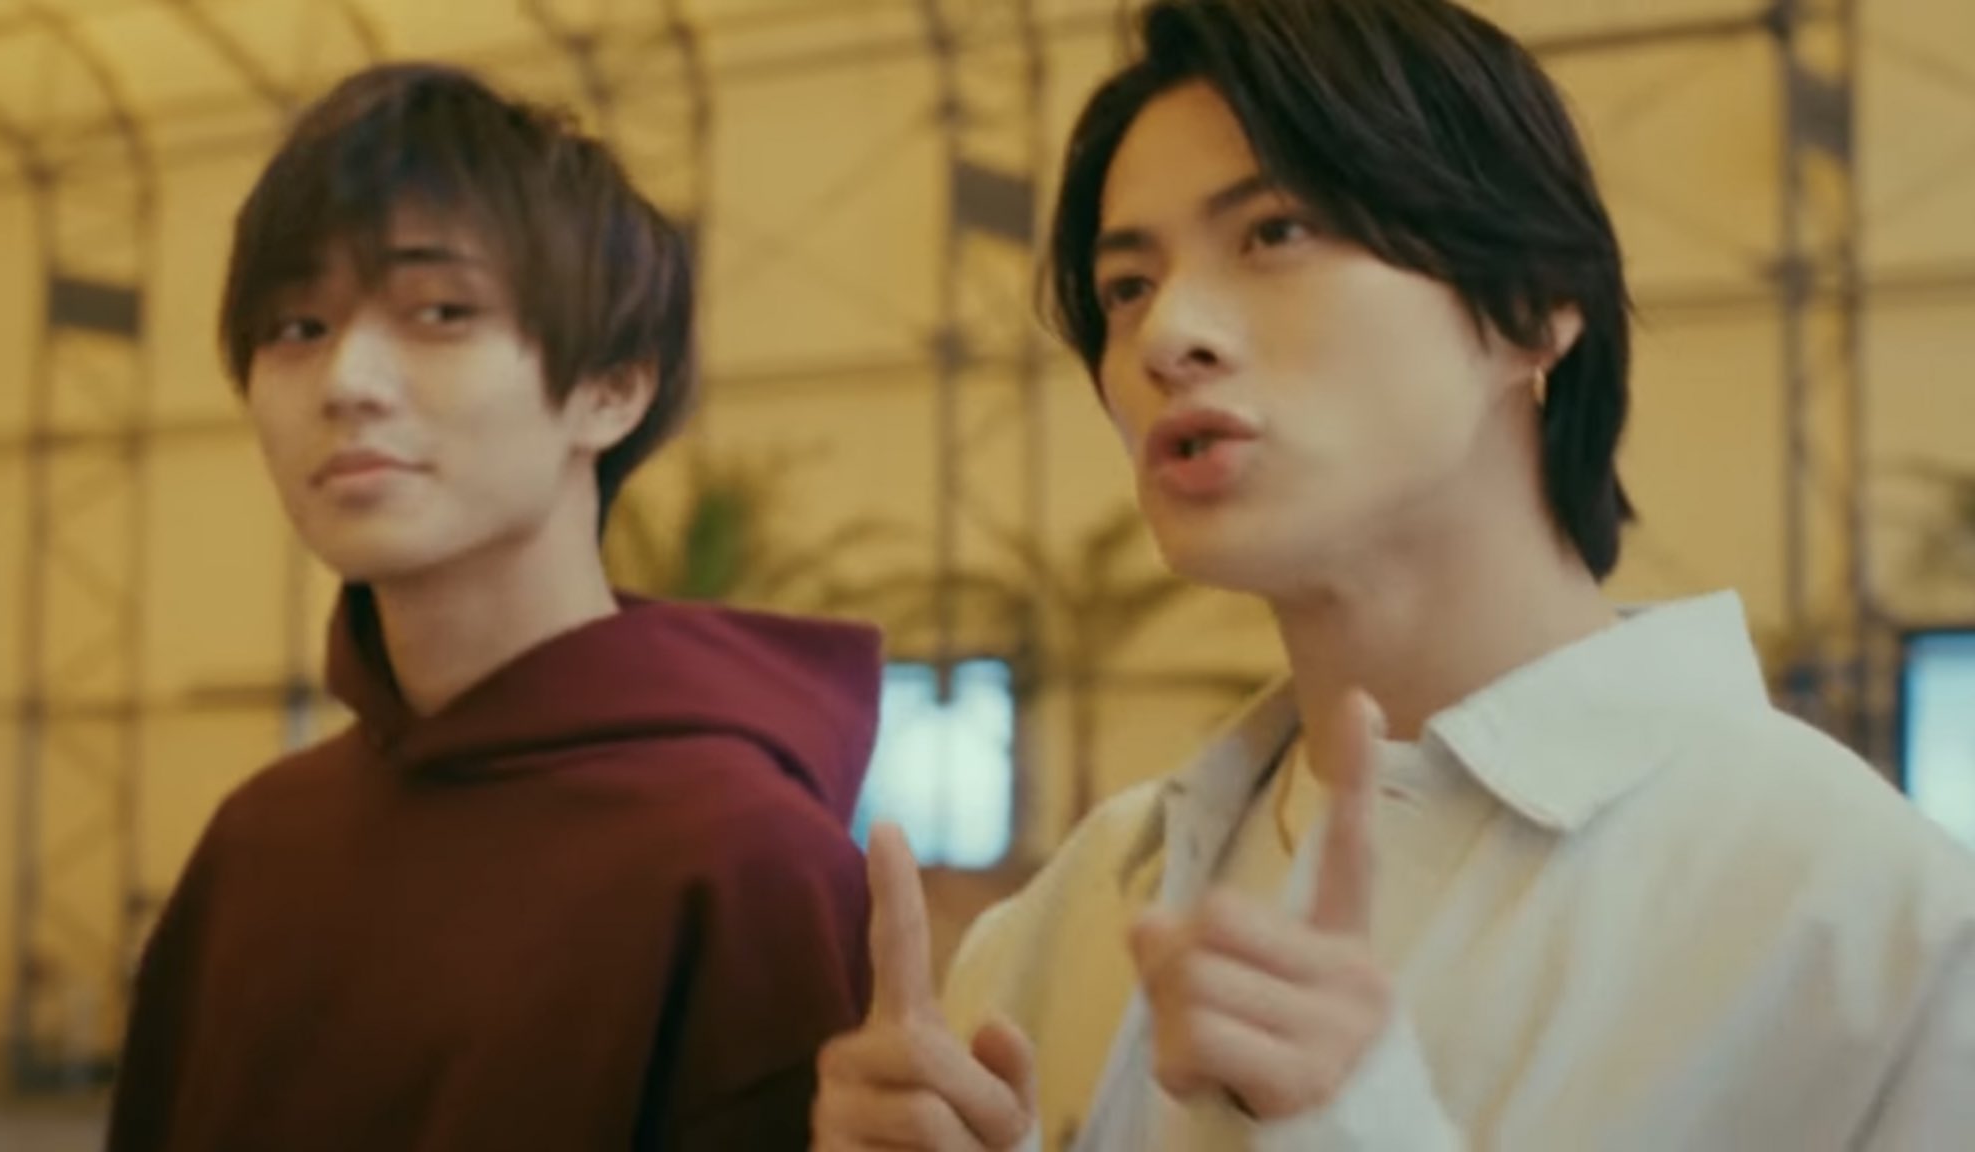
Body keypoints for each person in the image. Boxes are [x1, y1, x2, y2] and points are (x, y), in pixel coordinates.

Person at [811, 0, 1975, 1148]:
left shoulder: (1867, 928)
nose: (1166, 336)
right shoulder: (1062, 925)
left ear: (1530, 301)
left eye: (1273, 232)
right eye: (1126, 286)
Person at [107, 63, 883, 1151]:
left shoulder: (743, 862)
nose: (347, 380)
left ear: (613, 387)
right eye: (295, 326)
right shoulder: (256, 843)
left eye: (440, 312)